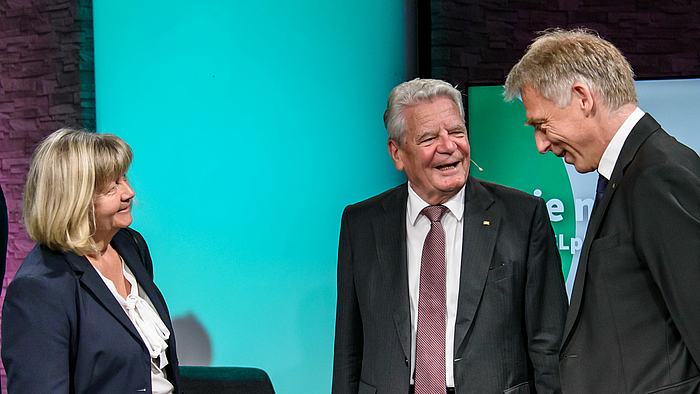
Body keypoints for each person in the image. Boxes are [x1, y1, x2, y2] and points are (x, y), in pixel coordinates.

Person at [332, 78, 567, 394]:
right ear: (397, 153)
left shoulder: (523, 216)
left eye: (457, 132)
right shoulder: (361, 224)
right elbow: (349, 346)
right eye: (429, 137)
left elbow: (548, 344)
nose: (449, 146)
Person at [504, 28, 700, 393]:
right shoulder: (628, 174)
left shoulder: (659, 176)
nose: (541, 144)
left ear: (582, 98)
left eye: (542, 125)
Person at [2, 127, 181, 394]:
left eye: (124, 178)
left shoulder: (131, 246)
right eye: (111, 187)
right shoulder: (38, 289)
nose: (129, 192)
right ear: (74, 200)